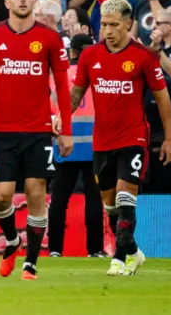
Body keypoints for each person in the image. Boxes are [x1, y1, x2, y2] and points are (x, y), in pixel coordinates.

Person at [0, 0, 73, 280]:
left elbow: (62, 88)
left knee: (35, 191)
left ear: (35, 0)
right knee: (0, 196)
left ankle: (31, 262)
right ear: (8, 1)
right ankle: (13, 240)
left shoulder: (50, 38)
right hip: (3, 130)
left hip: (39, 129)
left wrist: (65, 127)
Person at [67, 0, 171, 275]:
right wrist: (61, 120)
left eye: (114, 25)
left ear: (129, 24)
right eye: (104, 25)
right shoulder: (90, 55)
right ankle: (134, 252)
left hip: (134, 139)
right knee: (111, 205)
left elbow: (163, 99)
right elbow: (77, 93)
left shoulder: (143, 57)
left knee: (126, 198)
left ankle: (118, 258)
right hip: (102, 140)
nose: (108, 31)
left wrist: (170, 138)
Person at [48, 33, 104, 257]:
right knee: (94, 199)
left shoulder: (59, 76)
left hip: (65, 145)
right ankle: (96, 249)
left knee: (59, 200)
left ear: (72, 52)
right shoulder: (98, 74)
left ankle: (54, 249)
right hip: (94, 147)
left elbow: (51, 109)